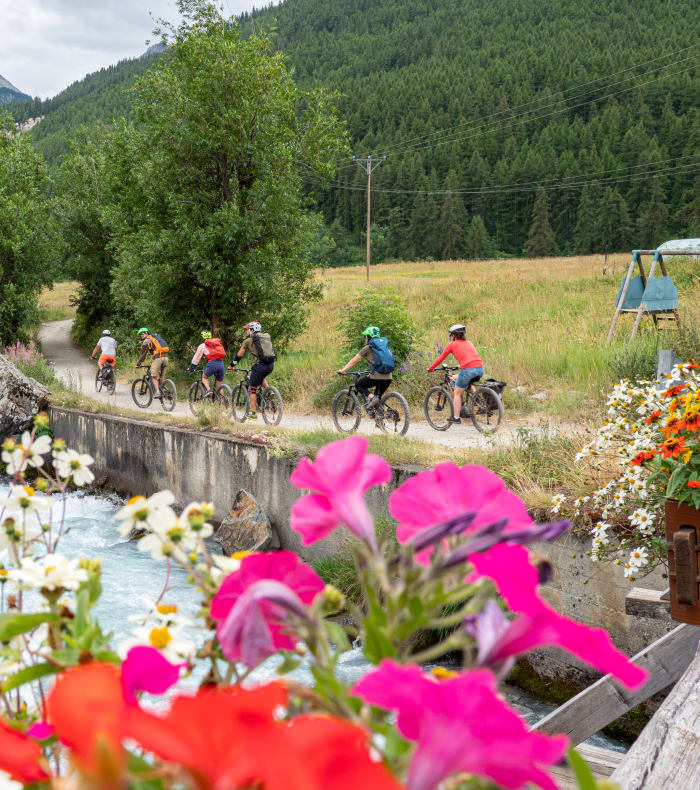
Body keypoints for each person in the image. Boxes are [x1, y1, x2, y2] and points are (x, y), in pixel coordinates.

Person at [428, 323, 484, 424]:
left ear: (453, 335)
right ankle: (478, 402)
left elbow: (440, 358)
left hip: (468, 370)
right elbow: (472, 358)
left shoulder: (452, 345)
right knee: (468, 383)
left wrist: (431, 368)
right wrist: (460, 366)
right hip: (480, 369)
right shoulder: (469, 343)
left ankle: (456, 417)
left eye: (450, 335)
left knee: (457, 393)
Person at [337, 326, 394, 410]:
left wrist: (343, 370)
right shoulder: (385, 347)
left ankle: (372, 397)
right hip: (388, 377)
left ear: (368, 337)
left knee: (358, 385)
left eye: (365, 337)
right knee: (377, 399)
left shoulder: (368, 348)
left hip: (376, 376)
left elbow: (353, 361)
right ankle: (379, 420)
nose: (365, 339)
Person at [228, 321, 276, 421]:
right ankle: (269, 391)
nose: (246, 331)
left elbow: (239, 355)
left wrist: (232, 365)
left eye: (247, 329)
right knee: (261, 377)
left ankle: (254, 414)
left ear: (252, 330)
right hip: (270, 365)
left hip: (259, 366)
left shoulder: (248, 341)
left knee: (252, 389)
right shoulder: (265, 337)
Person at [135, 327, 169, 399]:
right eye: (140, 334)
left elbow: (143, 354)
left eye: (142, 333)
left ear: (147, 333)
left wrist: (138, 364)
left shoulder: (146, 341)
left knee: (153, 376)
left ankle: (157, 392)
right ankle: (163, 390)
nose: (141, 335)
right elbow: (153, 352)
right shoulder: (155, 338)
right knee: (162, 376)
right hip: (166, 357)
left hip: (158, 358)